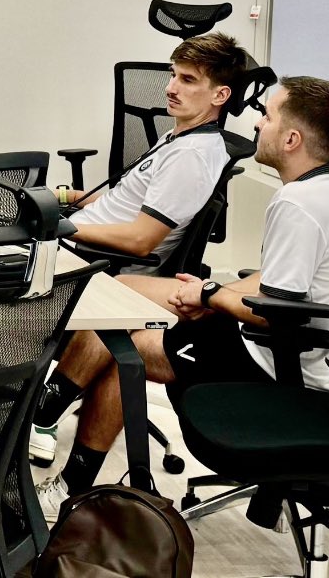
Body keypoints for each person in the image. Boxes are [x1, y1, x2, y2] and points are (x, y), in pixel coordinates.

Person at [31, 76, 329, 520]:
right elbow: (278, 281)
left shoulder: (298, 204)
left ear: (292, 139)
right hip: (297, 344)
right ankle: (47, 409)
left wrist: (212, 295)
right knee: (121, 292)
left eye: (268, 116)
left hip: (281, 360)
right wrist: (210, 294)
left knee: (128, 351)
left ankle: (67, 481)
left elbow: (276, 316)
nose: (257, 123)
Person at [29, 32, 248, 465]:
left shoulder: (191, 156)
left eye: (188, 80)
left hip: (104, 260)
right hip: (86, 240)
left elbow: (140, 239)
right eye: (173, 75)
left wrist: (61, 226)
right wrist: (67, 198)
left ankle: (36, 411)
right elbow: (122, 203)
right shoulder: (176, 137)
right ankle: (34, 408)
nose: (171, 87)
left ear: (220, 95)